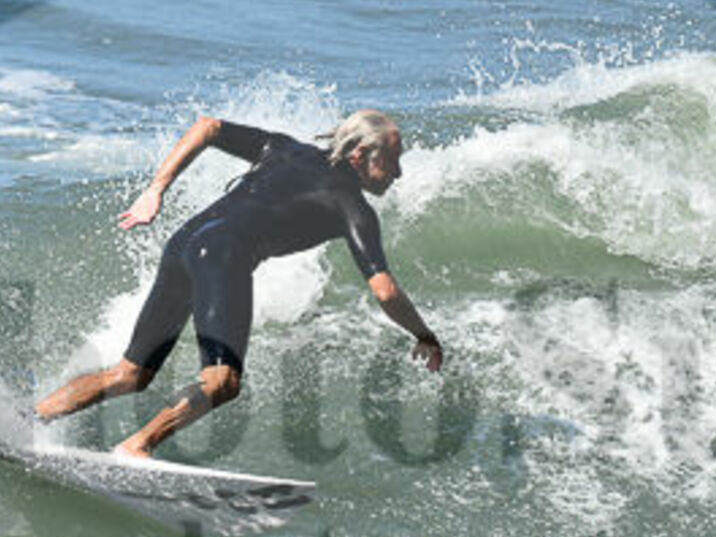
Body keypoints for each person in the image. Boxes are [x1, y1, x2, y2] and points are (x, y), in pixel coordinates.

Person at [34, 109, 444, 458]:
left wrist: (155, 191)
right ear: (359, 155)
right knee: (222, 382)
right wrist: (424, 334)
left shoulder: (285, 148)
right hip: (220, 256)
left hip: (183, 244)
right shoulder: (351, 206)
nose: (399, 172)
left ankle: (33, 416)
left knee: (130, 374)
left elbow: (208, 127)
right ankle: (136, 447)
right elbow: (384, 290)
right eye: (392, 159)